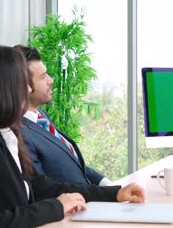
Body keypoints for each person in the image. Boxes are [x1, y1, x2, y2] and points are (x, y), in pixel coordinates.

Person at [0, 45, 146, 227]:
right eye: (20, 83)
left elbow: (40, 187)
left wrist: (113, 194)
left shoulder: (5, 134)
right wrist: (56, 206)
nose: (28, 90)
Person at [13, 45, 111, 186]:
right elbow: (42, 188)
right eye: (43, 77)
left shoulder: (41, 117)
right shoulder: (19, 133)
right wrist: (108, 194)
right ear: (23, 85)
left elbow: (71, 165)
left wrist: (107, 184)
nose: (51, 80)